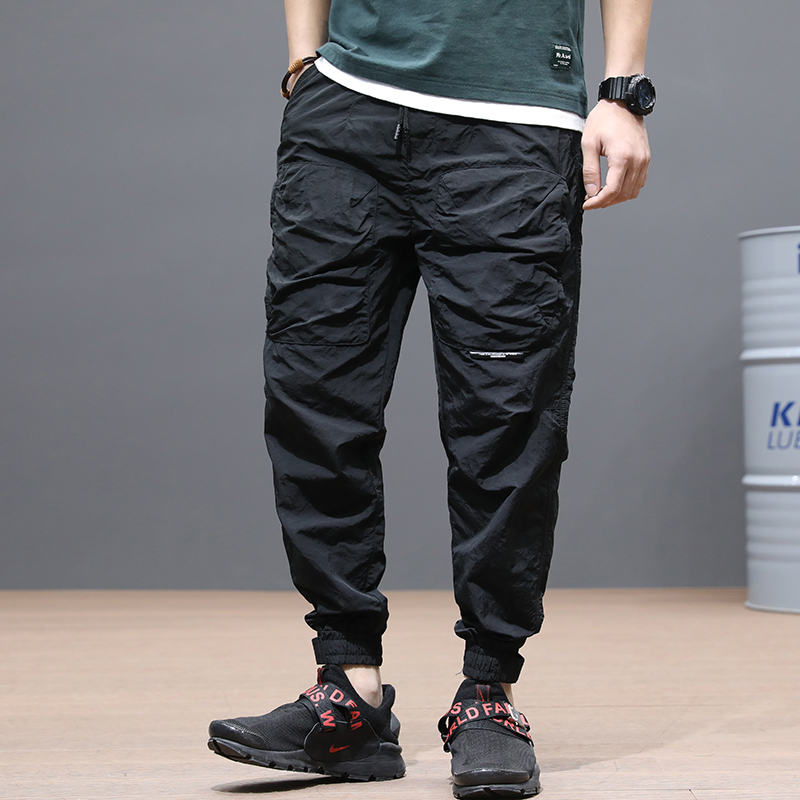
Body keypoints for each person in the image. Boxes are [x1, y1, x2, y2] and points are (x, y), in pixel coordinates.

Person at [208, 0, 653, 796]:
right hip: (345, 117)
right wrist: (305, 63)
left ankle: (489, 691)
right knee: (315, 396)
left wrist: (622, 92)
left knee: (507, 417)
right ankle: (348, 688)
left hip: (513, 122)